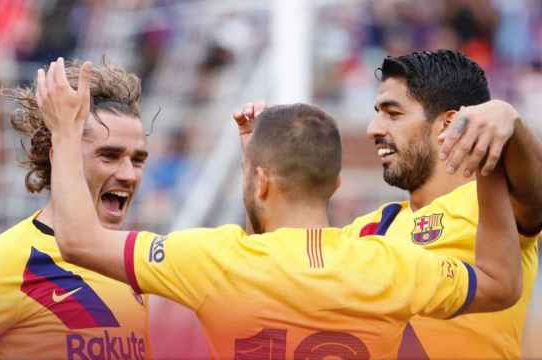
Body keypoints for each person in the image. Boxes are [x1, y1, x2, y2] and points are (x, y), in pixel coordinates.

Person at [39, 58, 522, 359]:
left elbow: (78, 240)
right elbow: (500, 285)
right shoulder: (388, 262)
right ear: (335, 183)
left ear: (261, 180)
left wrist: (64, 131)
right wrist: (492, 152)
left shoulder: (217, 260)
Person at [236, 50, 542, 358]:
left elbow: (536, 195)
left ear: (449, 124)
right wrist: (259, 163)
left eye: (392, 114)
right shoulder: (371, 228)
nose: (373, 128)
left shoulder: (493, 207)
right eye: (377, 113)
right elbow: (273, 266)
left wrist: (508, 120)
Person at [0, 58, 152, 360]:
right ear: (62, 155)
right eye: (109, 156)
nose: (128, 174)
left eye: (137, 160)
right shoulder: (5, 261)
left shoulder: (131, 261)